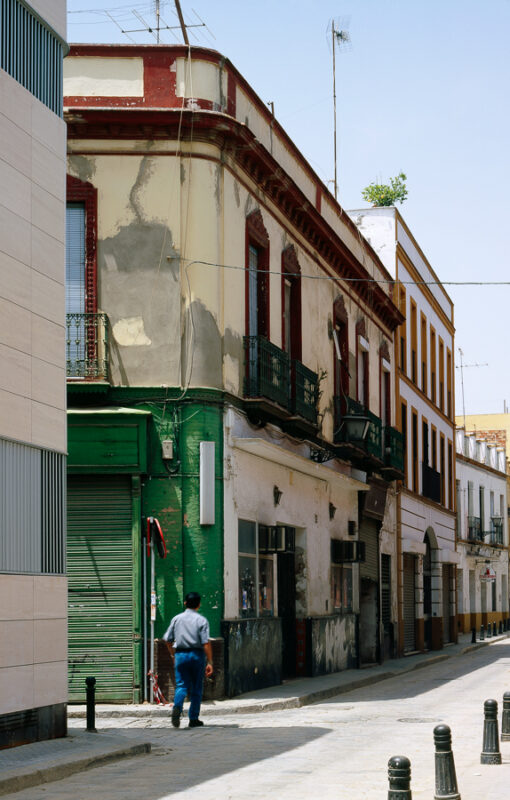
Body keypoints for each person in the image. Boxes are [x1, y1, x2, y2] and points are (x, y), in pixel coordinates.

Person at [163, 591, 213, 728]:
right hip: (197, 655)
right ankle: (193, 718)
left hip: (180, 655)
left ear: (185, 603)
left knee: (181, 685)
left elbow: (167, 640)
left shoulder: (176, 619)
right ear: (199, 605)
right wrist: (210, 662)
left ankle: (177, 707)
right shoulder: (201, 620)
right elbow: (206, 643)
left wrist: (173, 655)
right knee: (197, 687)